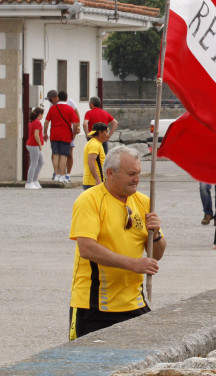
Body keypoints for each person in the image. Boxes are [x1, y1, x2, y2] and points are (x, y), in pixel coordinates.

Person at [68, 146, 166, 340]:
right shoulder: (89, 200)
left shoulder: (144, 201)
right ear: (110, 173)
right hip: (95, 305)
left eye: (138, 173)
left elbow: (156, 255)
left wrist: (156, 235)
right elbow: (86, 248)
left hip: (134, 302)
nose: (137, 179)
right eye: (131, 174)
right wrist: (133, 264)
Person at [43, 89, 77, 183]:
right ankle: (62, 175)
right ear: (66, 99)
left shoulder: (52, 108)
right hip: (65, 135)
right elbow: (75, 123)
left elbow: (46, 122)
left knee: (55, 155)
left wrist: (45, 133)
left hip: (54, 134)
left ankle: (57, 174)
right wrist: (74, 133)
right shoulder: (70, 109)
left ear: (58, 97)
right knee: (63, 156)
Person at [58, 90, 81, 179]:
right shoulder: (55, 104)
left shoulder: (70, 102)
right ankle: (59, 173)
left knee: (69, 153)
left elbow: (76, 114)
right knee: (58, 153)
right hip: (59, 132)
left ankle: (68, 173)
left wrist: (77, 127)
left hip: (69, 131)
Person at [82, 122, 109, 190]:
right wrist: (97, 179)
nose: (108, 135)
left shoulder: (96, 143)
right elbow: (91, 162)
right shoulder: (94, 145)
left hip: (96, 182)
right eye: (106, 132)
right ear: (100, 132)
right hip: (93, 183)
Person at [25, 107, 44, 189]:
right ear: (39, 114)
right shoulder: (37, 122)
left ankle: (34, 180)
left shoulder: (33, 121)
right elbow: (36, 135)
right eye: (42, 114)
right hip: (34, 145)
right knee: (34, 163)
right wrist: (40, 144)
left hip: (32, 144)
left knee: (41, 162)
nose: (43, 116)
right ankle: (29, 182)